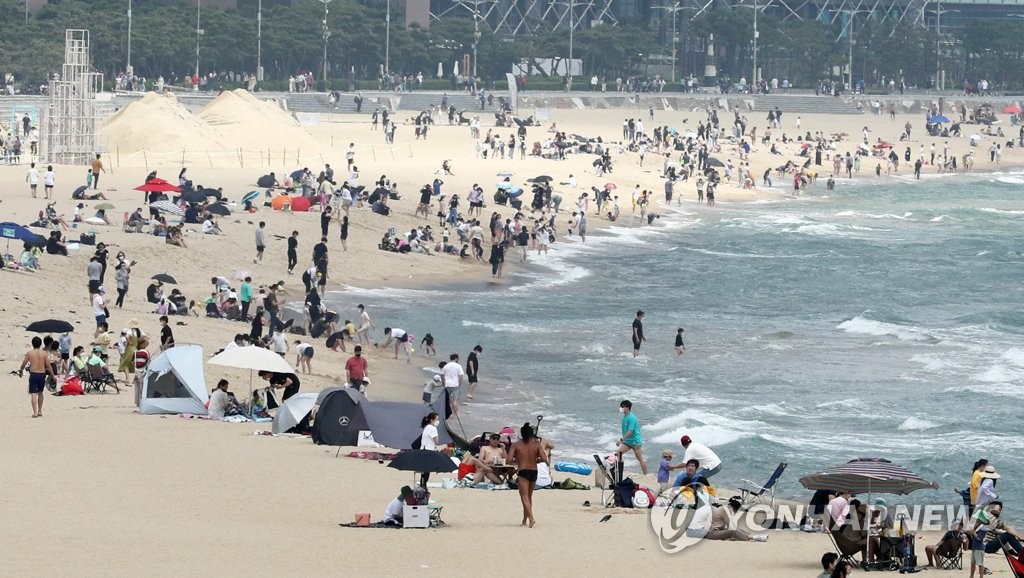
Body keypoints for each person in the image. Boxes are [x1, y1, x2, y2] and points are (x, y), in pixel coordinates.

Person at [507, 422, 548, 527]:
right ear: (531, 434)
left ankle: (531, 518)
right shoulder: (537, 445)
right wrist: (536, 459)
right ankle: (524, 521)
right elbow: (544, 459)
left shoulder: (516, 445)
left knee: (524, 497)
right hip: (534, 471)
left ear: (521, 434)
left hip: (523, 471)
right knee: (529, 497)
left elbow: (508, 460)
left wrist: (517, 460)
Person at [19, 336, 55, 418]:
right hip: (42, 374)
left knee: (33, 393)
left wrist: (20, 371)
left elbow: (24, 364)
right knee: (40, 392)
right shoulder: (44, 353)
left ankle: (35, 412)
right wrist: (53, 376)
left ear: (32, 344)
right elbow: (48, 366)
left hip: (34, 374)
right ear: (40, 344)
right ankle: (40, 411)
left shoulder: (30, 353)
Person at [617, 400, 649, 474]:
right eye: (621, 406)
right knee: (618, 454)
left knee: (640, 459)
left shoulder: (631, 417)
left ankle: (646, 474)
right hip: (627, 442)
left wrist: (621, 440)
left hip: (635, 442)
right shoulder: (625, 417)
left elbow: (631, 431)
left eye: (623, 406)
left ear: (628, 408)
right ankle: (619, 471)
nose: (621, 408)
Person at [418, 412, 443, 488]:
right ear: (432, 420)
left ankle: (422, 487)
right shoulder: (432, 428)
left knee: (424, 472)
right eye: (437, 419)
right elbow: (436, 441)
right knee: (427, 472)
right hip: (428, 452)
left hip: (423, 450)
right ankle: (423, 488)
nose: (438, 421)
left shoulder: (427, 427)